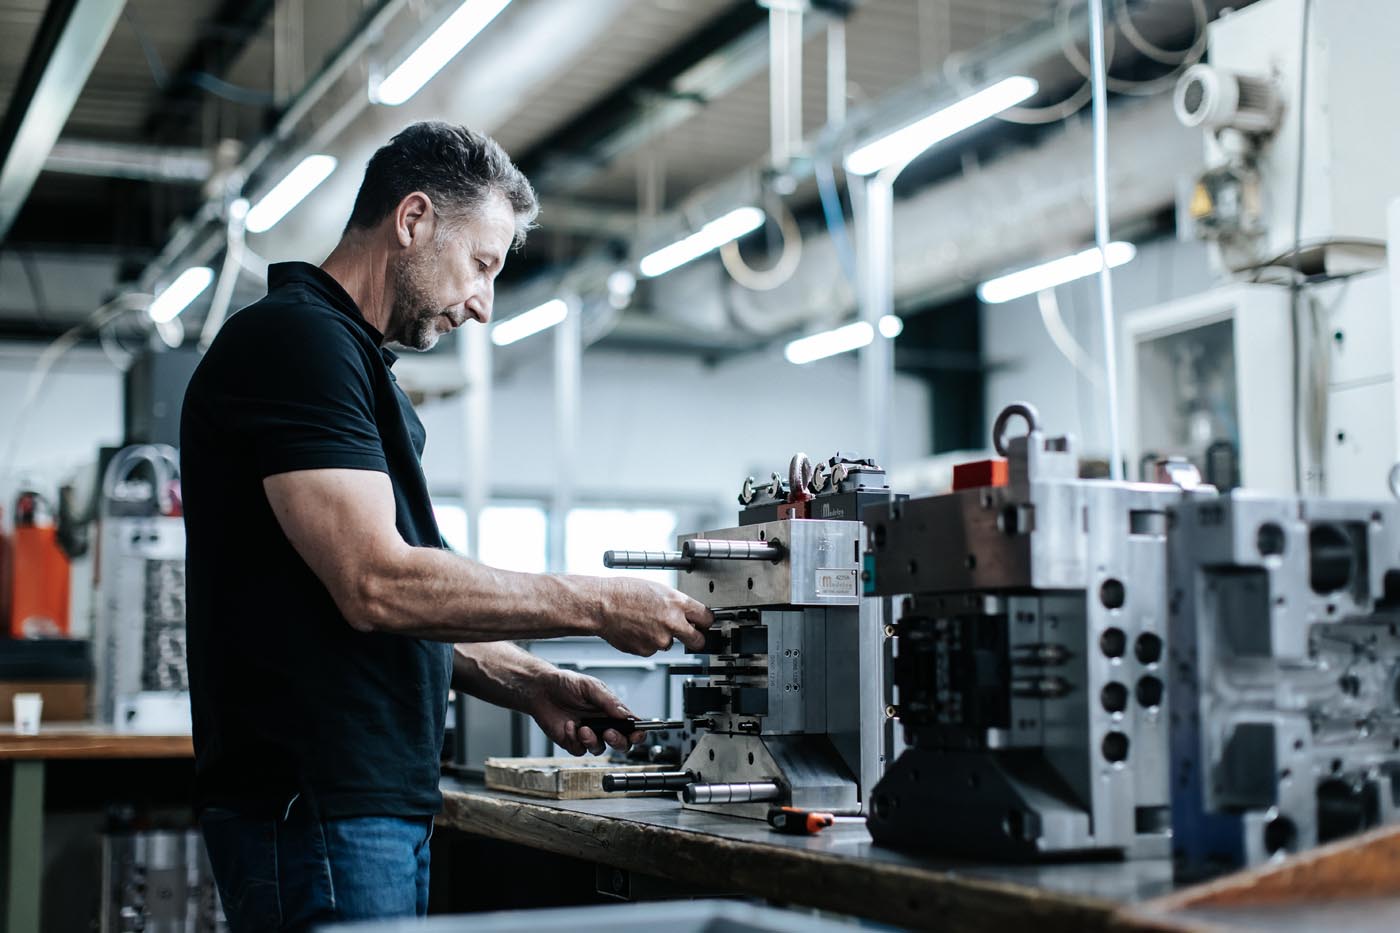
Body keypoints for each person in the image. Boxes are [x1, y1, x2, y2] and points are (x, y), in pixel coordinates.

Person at [180, 121, 712, 931]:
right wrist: (596, 603)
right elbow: (377, 583)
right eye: (483, 264)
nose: (484, 305)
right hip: (318, 805)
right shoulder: (296, 343)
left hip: (361, 804)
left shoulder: (352, 365)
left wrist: (529, 681)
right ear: (414, 219)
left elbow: (380, 595)